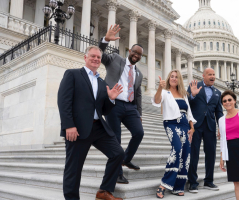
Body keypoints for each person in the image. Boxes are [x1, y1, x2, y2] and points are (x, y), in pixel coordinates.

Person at [58, 46, 124, 200]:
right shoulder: (73, 74)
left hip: (98, 127)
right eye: (93, 56)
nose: (96, 59)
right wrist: (69, 125)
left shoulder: (102, 82)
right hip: (78, 129)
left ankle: (104, 191)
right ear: (85, 57)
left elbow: (104, 111)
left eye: (98, 57)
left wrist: (111, 98)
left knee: (118, 153)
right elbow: (63, 101)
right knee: (73, 168)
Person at [98, 24, 144, 184]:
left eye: (139, 55)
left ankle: (126, 159)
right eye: (134, 52)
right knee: (115, 139)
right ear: (129, 51)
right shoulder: (116, 59)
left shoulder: (139, 73)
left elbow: (138, 94)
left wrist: (139, 114)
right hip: (114, 104)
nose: (136, 56)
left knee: (139, 133)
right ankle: (117, 174)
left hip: (130, 107)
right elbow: (100, 55)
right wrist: (104, 40)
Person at [152, 70, 196, 198]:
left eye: (176, 77)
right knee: (177, 149)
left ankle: (178, 186)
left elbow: (189, 114)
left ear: (179, 80)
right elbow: (156, 100)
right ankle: (164, 184)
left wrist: (192, 128)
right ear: (168, 78)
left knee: (186, 154)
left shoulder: (184, 94)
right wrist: (160, 88)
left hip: (185, 126)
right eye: (172, 76)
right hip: (171, 123)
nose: (174, 78)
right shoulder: (165, 92)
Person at [187, 68, 224, 192]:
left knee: (211, 154)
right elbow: (186, 103)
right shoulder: (194, 86)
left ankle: (209, 181)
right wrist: (192, 95)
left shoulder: (217, 92)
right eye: (210, 74)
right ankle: (192, 182)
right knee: (194, 154)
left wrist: (221, 127)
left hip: (210, 127)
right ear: (204, 76)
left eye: (214, 74)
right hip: (195, 126)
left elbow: (219, 112)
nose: (212, 76)